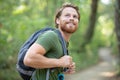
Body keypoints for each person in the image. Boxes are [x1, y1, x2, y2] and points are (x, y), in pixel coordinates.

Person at [23, 2, 80, 80]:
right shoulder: (51, 36)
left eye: (75, 16)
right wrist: (59, 62)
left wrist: (64, 68)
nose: (71, 18)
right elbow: (28, 59)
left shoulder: (64, 43)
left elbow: (49, 67)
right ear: (57, 20)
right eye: (67, 15)